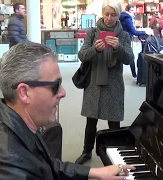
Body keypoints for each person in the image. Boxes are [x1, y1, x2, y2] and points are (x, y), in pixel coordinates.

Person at [0, 42, 135, 179]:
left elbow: (46, 166)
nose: (63, 93)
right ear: (24, 93)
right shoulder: (7, 162)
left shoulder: (18, 121)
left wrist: (94, 172)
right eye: (56, 86)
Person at [75, 0, 133, 165]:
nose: (109, 18)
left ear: (118, 15)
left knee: (114, 123)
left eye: (113, 15)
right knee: (91, 121)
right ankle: (86, 152)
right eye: (106, 14)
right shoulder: (92, 32)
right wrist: (95, 49)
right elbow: (82, 55)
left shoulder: (123, 35)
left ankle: (116, 155)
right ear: (102, 14)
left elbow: (129, 60)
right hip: (93, 84)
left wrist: (118, 48)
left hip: (113, 85)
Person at [119, 4, 149, 79]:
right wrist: (144, 32)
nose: (133, 12)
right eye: (132, 10)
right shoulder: (127, 18)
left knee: (122, 56)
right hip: (126, 39)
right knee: (130, 56)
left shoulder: (123, 17)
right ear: (128, 10)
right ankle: (134, 75)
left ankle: (133, 74)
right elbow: (133, 31)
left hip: (121, 38)